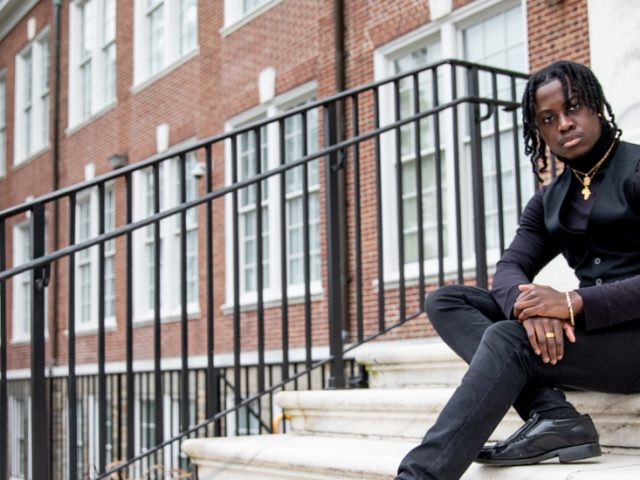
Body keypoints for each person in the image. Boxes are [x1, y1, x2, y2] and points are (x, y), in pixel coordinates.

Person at [396, 60, 640, 480]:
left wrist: (570, 302)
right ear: (539, 132)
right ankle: (551, 412)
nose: (564, 123)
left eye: (573, 107)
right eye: (548, 119)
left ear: (596, 107)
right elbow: (509, 269)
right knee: (448, 301)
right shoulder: (548, 201)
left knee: (507, 339)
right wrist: (533, 310)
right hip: (591, 339)